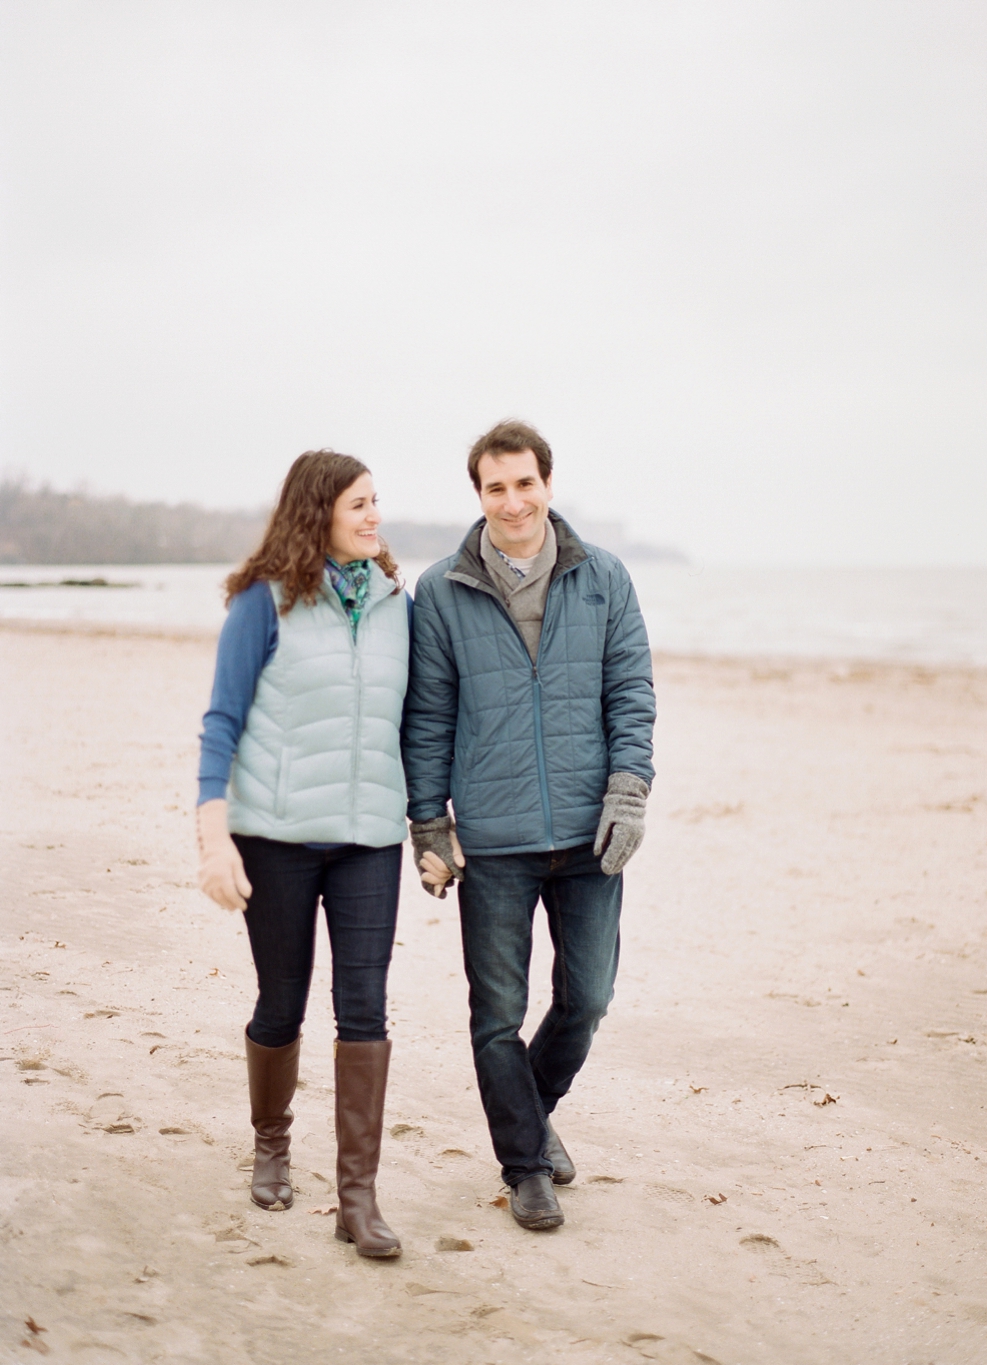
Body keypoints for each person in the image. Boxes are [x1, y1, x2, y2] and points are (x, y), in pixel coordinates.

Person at [403, 420, 656, 1232]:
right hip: (496, 839)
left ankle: (531, 1115)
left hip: (589, 837)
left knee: (587, 997)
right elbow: (429, 716)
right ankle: (524, 1165)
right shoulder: (441, 591)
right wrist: (429, 825)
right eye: (495, 487)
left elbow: (632, 695)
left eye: (524, 483)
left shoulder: (605, 578)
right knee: (497, 1015)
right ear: (478, 494)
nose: (512, 500)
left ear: (549, 483)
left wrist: (628, 793)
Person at [196, 450, 408, 1259]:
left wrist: (429, 828)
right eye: (360, 503)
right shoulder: (265, 602)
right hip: (276, 838)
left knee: (366, 1008)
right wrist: (214, 838)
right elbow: (221, 721)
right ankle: (273, 1143)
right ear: (318, 509)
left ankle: (358, 1197)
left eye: (376, 502)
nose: (373, 516)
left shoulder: (396, 602)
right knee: (281, 1002)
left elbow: (414, 723)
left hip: (369, 839)